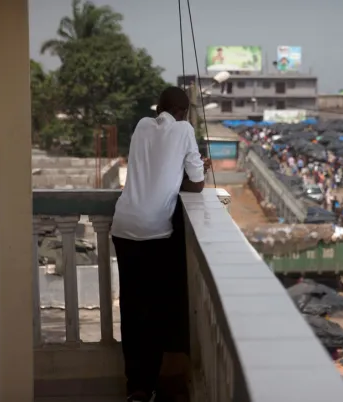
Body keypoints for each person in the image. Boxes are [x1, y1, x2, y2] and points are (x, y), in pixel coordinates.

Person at [111, 87, 209, 402]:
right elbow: (196, 184)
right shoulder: (184, 130)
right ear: (183, 111)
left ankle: (133, 385)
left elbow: (151, 166)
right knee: (152, 313)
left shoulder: (141, 126)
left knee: (131, 308)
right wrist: (192, 169)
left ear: (159, 109)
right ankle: (147, 387)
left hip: (123, 226)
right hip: (154, 232)